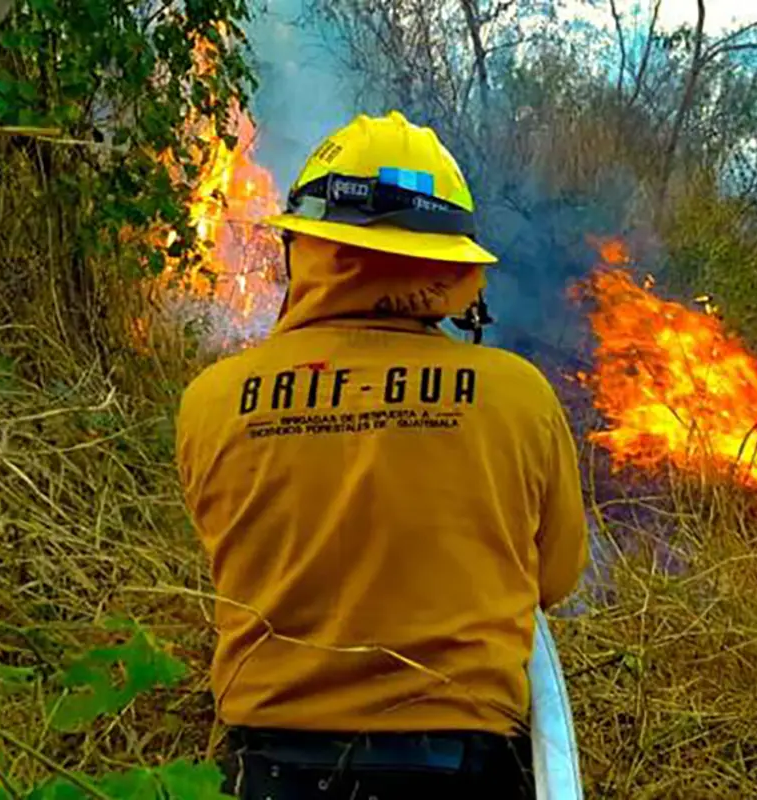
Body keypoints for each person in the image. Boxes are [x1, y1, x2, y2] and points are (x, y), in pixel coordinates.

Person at [175, 110, 589, 799]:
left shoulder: (213, 401)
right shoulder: (519, 398)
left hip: (268, 772)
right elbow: (555, 578)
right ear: (451, 268)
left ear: (305, 249)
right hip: (463, 772)